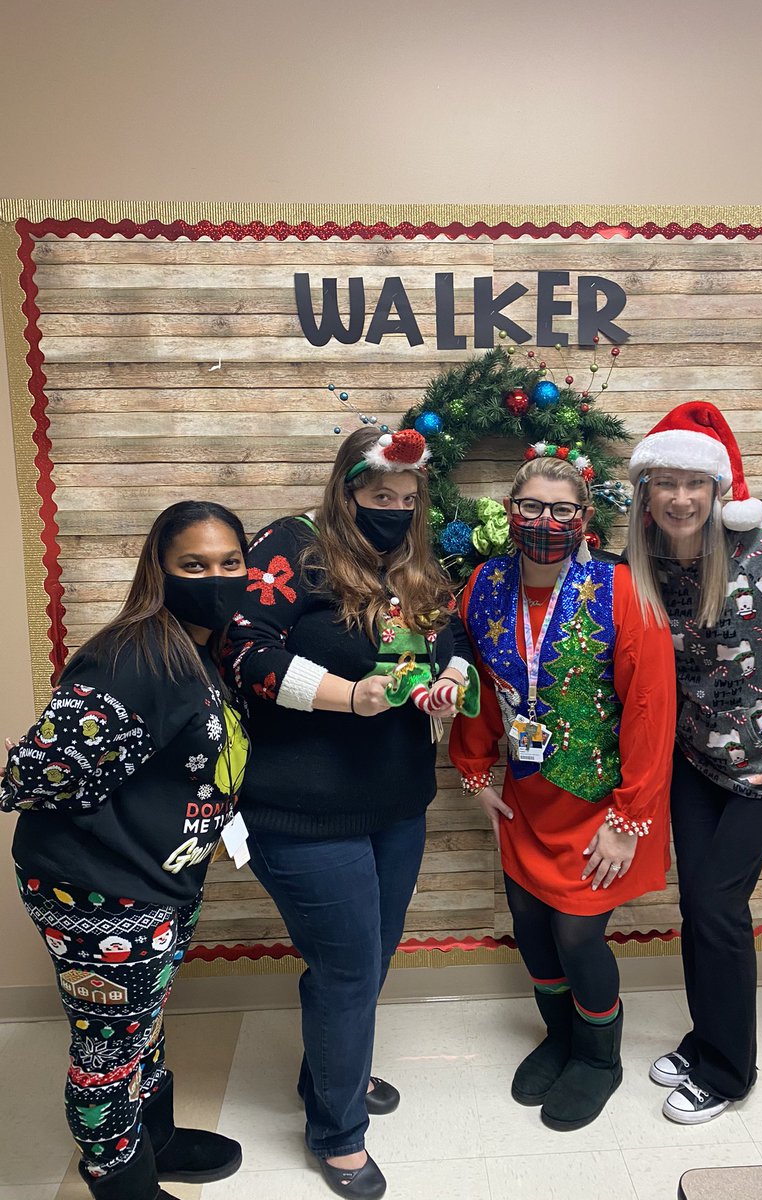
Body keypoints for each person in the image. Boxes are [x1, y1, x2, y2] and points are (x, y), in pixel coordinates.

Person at [225, 424, 474, 1200]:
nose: (395, 510)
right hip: (299, 808)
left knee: (370, 956)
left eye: (407, 499)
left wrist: (450, 684)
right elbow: (244, 649)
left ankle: (333, 1074)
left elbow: (453, 637)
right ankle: (337, 1132)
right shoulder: (292, 547)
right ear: (347, 489)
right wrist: (350, 697)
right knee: (346, 967)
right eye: (379, 496)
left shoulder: (416, 564)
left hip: (396, 802)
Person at [0, 500, 251, 1200]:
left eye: (231, 562)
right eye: (194, 565)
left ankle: (155, 1138)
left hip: (154, 884)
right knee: (107, 1050)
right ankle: (118, 1183)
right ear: (159, 572)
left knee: (140, 1024)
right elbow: (30, 776)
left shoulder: (199, 646)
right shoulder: (135, 656)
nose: (216, 577)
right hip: (99, 888)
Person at [625, 401, 762, 1124]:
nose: (681, 498)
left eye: (696, 483)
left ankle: (728, 1071)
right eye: (666, 483)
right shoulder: (645, 560)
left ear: (719, 490)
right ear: (647, 492)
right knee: (699, 906)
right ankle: (706, 1036)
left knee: (719, 908)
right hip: (694, 762)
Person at [449, 450, 676, 1132]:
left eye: (562, 509)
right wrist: (476, 769)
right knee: (531, 928)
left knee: (579, 937)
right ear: (511, 513)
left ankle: (600, 1060)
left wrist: (628, 816)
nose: (545, 521)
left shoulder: (623, 590)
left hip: (602, 804)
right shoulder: (484, 584)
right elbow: (479, 685)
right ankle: (562, 1036)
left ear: (584, 519)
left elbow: (650, 708)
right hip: (525, 797)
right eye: (531, 508)